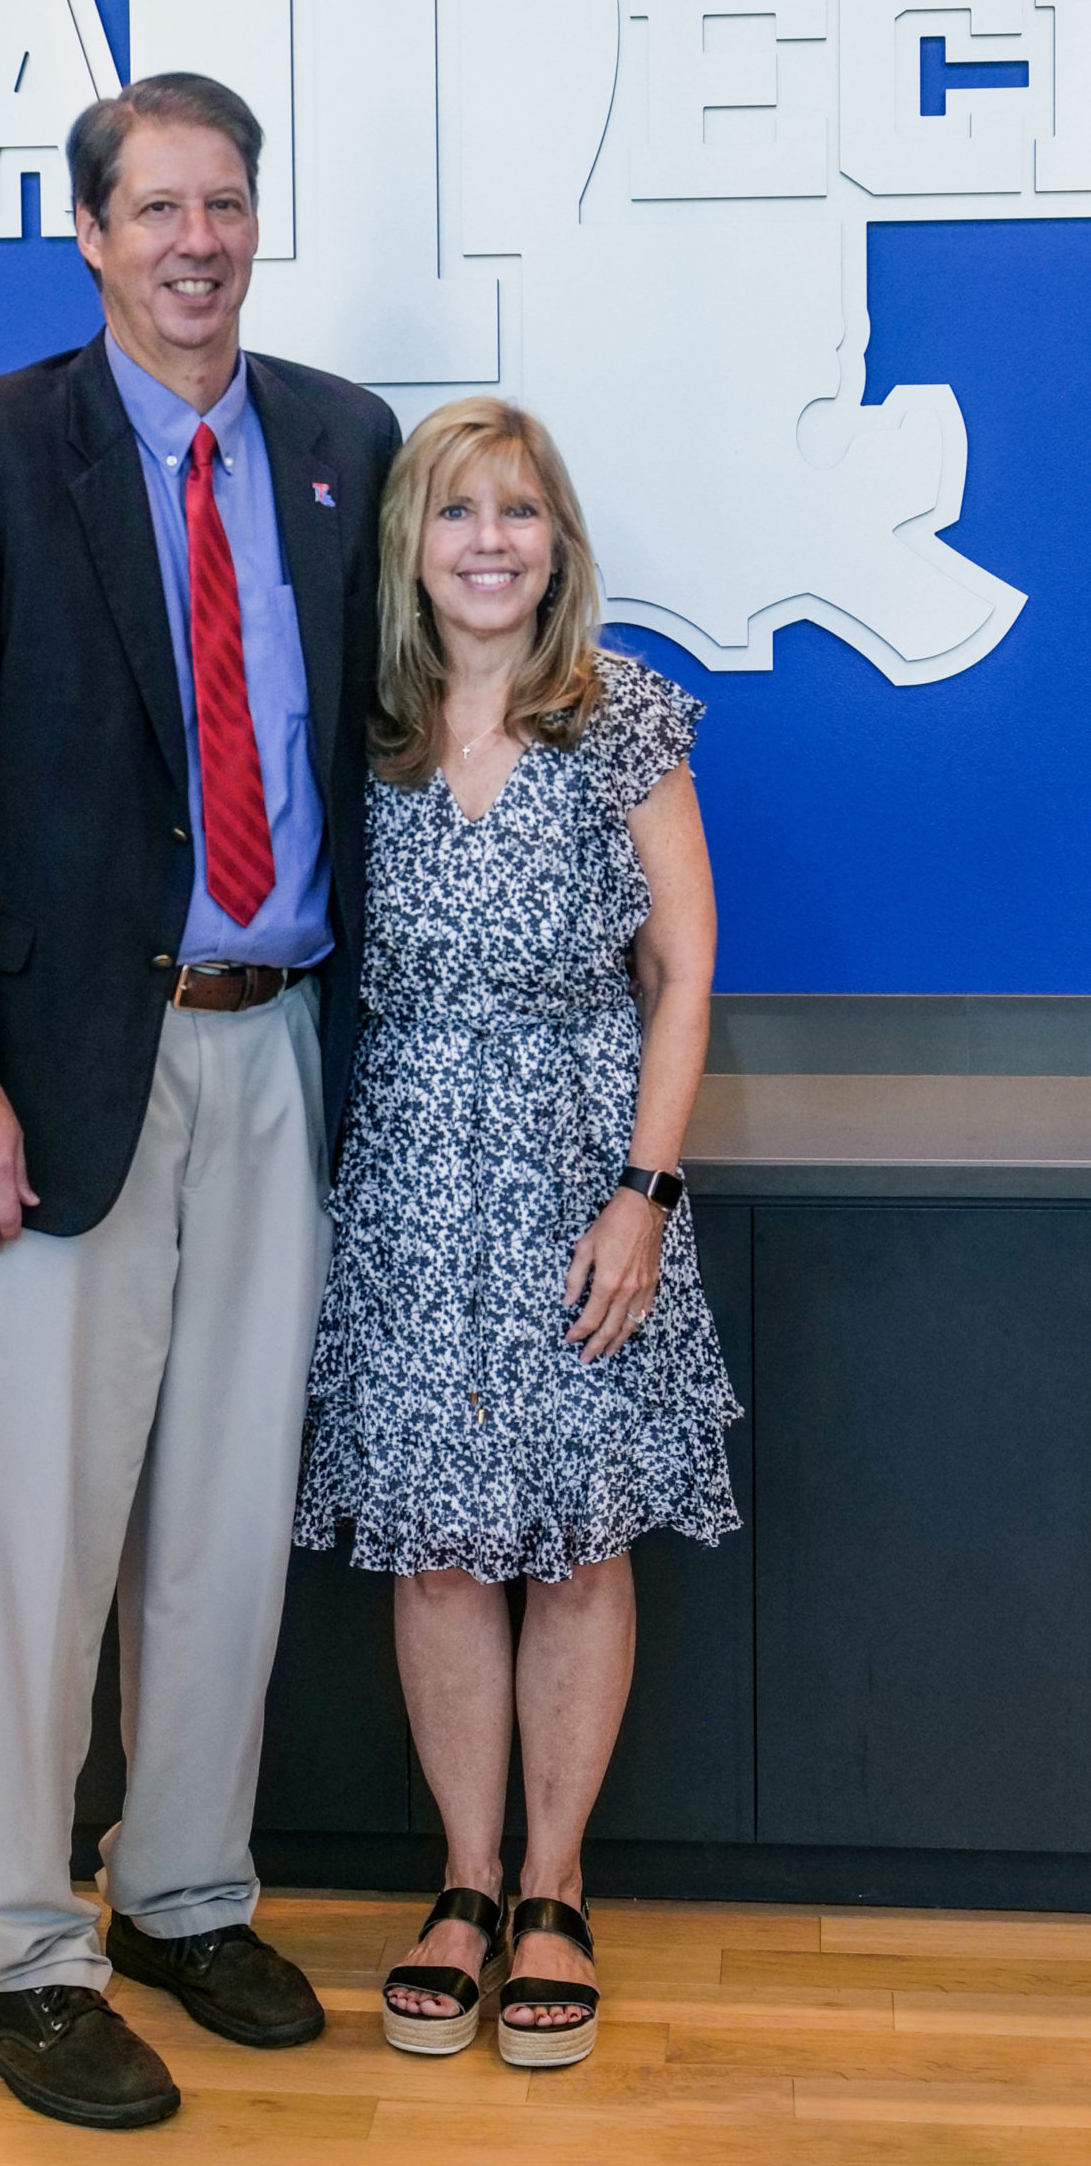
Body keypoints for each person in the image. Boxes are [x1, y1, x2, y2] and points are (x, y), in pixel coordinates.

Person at [0, 72, 400, 2132]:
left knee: (224, 1527)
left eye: (227, 203)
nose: (198, 239)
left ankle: (178, 1890)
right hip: (48, 1077)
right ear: (84, 231)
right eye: (156, 206)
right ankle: (15, 1949)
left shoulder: (341, 445)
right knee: (32, 1536)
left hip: (275, 1048)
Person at [294, 396, 740, 2071]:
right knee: (434, 1541)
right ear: (410, 542)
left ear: (559, 543)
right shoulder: (366, 722)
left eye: (519, 513)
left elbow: (683, 971)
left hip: (580, 1175)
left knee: (573, 1539)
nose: (489, 542)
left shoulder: (618, 715)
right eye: (456, 512)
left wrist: (645, 1191)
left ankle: (555, 1888)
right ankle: (463, 1887)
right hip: (402, 1171)